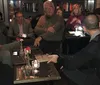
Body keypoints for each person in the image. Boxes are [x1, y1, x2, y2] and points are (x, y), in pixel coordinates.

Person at [48, 14, 100, 85]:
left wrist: (58, 59)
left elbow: (72, 63)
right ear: (99, 24)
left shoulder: (94, 45)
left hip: (96, 79)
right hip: (94, 69)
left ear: (84, 28)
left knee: (66, 69)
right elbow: (82, 58)